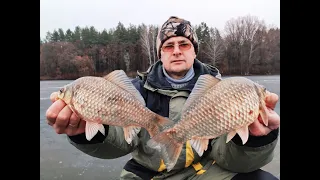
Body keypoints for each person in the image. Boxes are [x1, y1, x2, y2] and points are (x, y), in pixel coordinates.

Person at [46, 16, 280, 180]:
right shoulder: (136, 90)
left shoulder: (220, 90)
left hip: (207, 171)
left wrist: (255, 142)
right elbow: (121, 141)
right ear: (160, 53)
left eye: (184, 44)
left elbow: (229, 157)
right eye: (168, 46)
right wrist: (87, 135)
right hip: (148, 174)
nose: (177, 50)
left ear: (194, 50)